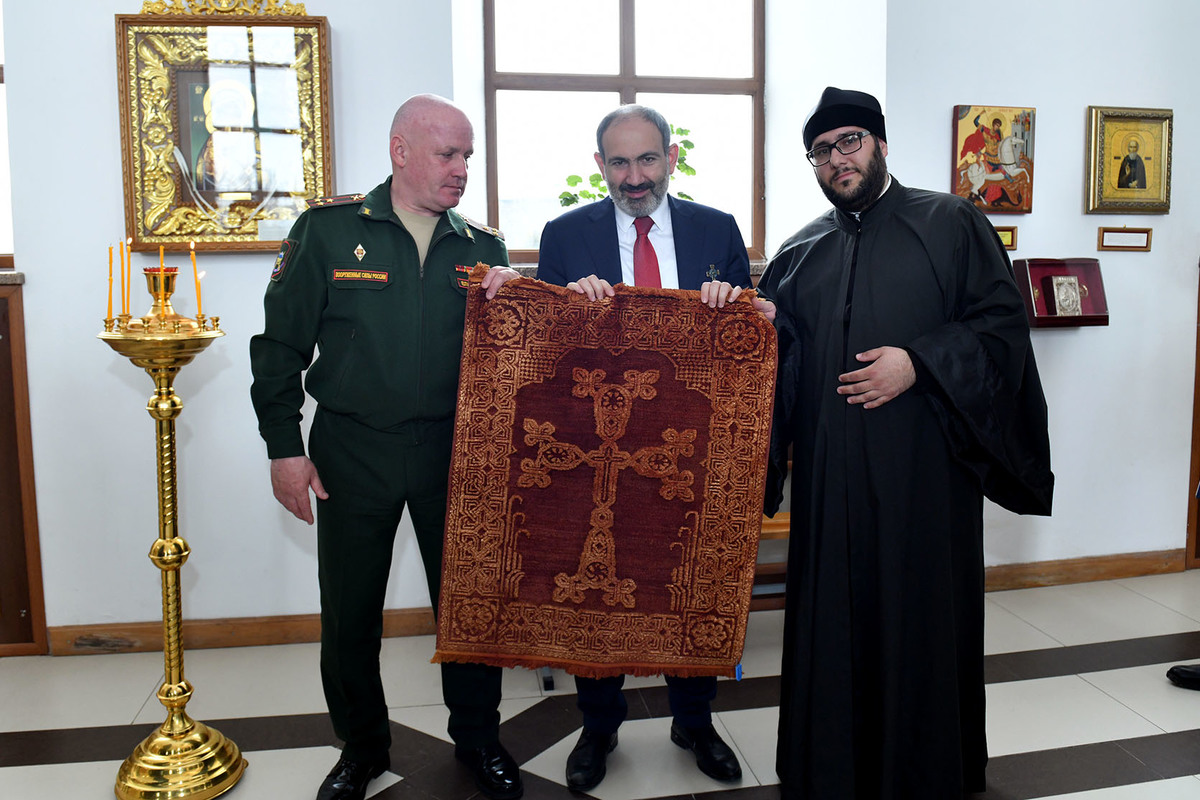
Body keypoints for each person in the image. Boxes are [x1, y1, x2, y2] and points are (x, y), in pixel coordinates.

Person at [755, 87, 1054, 798]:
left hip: (923, 473)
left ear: (881, 144)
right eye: (821, 151)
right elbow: (782, 362)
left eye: (850, 141)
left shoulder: (951, 222)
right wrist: (763, 330)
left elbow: (1000, 325)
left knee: (920, 614)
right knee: (833, 617)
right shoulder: (797, 252)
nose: (837, 159)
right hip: (830, 481)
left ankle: (925, 770)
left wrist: (918, 363)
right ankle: (830, 768)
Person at [249, 94, 524, 800]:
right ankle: (362, 747)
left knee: (467, 607)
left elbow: (512, 361)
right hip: (352, 449)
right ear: (401, 151)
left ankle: (479, 738)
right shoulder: (330, 231)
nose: (462, 169)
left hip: (455, 453)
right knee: (351, 611)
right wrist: (285, 448)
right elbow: (278, 347)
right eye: (448, 154)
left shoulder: (483, 247)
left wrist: (522, 303)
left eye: (468, 156)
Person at [536, 104, 752, 792]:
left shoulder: (716, 229)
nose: (635, 177)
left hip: (690, 449)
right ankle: (598, 727)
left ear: (671, 158)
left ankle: (695, 721)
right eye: (620, 162)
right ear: (600, 165)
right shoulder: (565, 235)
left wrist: (734, 302)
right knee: (594, 588)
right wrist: (567, 307)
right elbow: (544, 355)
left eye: (648, 159)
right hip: (600, 448)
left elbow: (751, 337)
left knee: (688, 577)